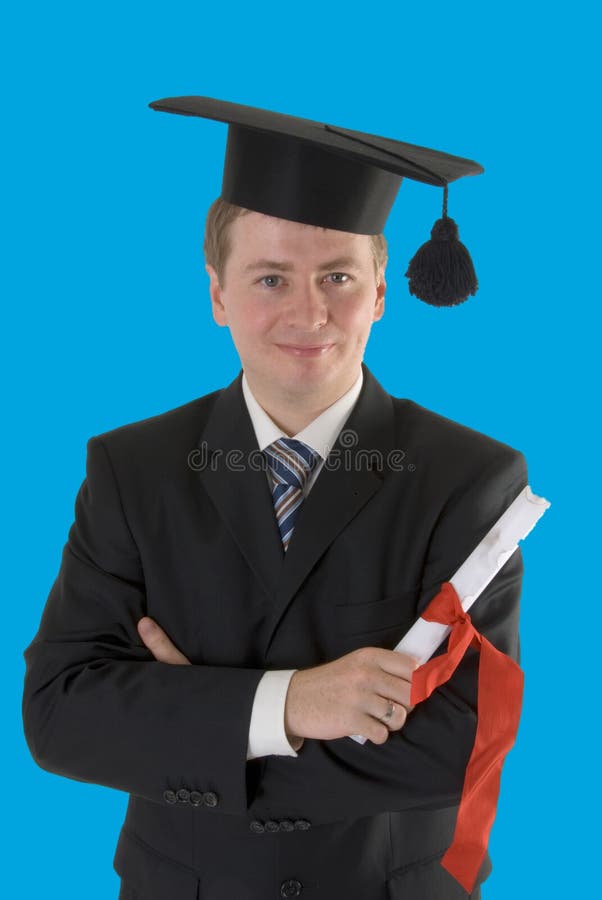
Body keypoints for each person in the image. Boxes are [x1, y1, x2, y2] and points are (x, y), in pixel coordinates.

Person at [22, 96, 528, 900]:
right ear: (218, 294)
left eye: (338, 276)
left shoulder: (470, 480)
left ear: (382, 291)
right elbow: (60, 716)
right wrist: (295, 702)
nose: (308, 313)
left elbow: (456, 747)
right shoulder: (133, 469)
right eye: (270, 278)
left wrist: (187, 718)